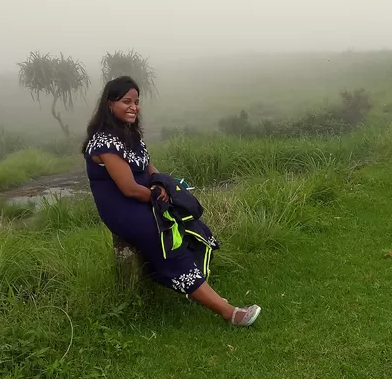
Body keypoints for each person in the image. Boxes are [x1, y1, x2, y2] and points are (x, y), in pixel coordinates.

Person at [82, 76, 261, 326]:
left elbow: (150, 170)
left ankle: (183, 281)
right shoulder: (104, 142)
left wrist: (160, 185)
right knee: (167, 240)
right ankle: (228, 312)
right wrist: (158, 196)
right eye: (126, 101)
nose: (134, 107)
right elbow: (129, 189)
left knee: (187, 222)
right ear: (110, 104)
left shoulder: (130, 136)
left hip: (145, 200)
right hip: (123, 209)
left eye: (136, 101)